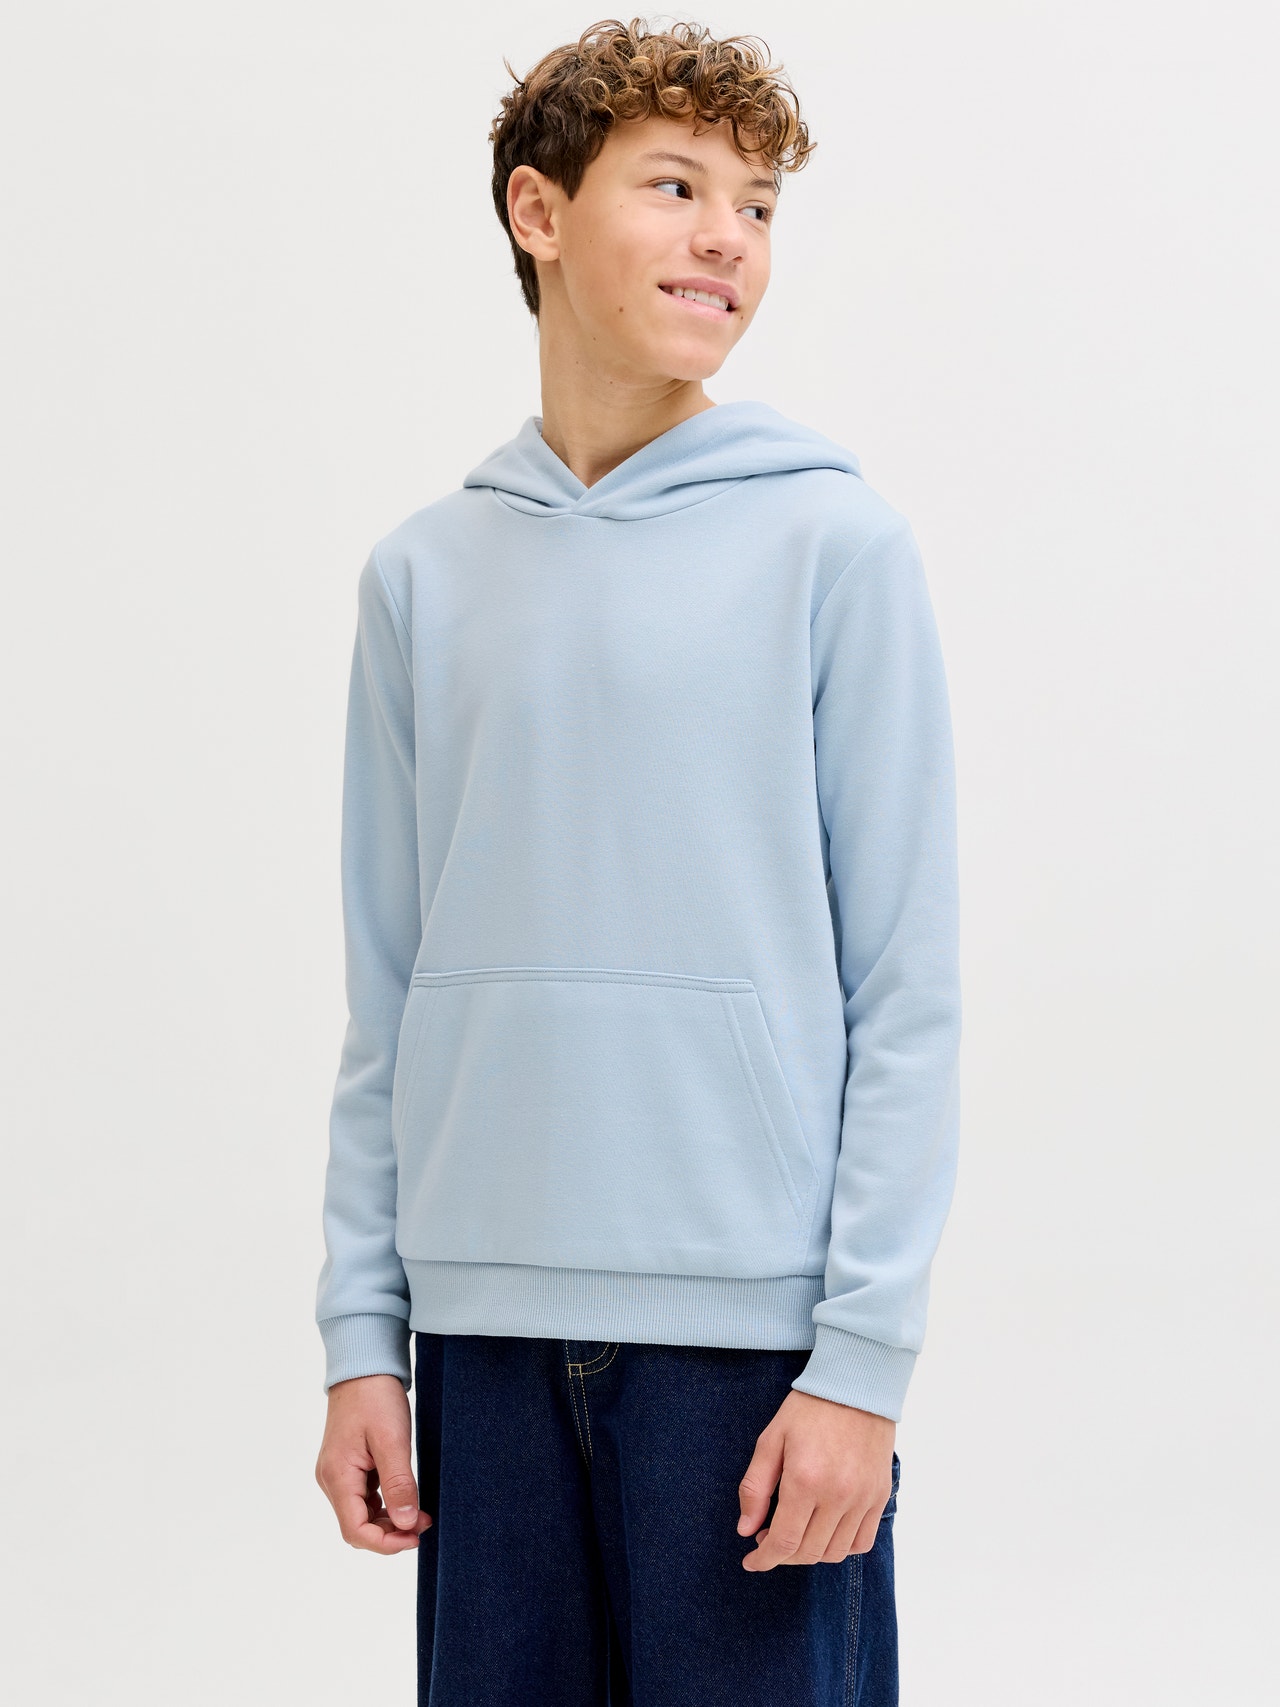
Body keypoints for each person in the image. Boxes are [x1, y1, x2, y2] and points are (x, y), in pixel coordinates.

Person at [312, 17, 961, 1705]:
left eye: (757, 205)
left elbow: (906, 991)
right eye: (675, 187)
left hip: (750, 1354)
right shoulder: (423, 578)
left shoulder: (833, 546)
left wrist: (863, 1363)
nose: (727, 237)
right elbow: (388, 994)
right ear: (538, 213)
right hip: (478, 1345)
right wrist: (363, 1339)